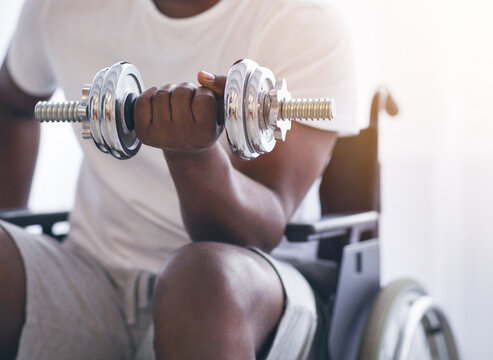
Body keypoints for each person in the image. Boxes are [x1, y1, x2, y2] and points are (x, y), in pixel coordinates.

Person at [0, 0, 358, 358]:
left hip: (242, 292)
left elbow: (258, 233)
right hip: (91, 274)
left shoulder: (300, 22)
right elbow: (13, 104)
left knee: (202, 281)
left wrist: (194, 156)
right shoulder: (58, 7)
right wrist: (13, 228)